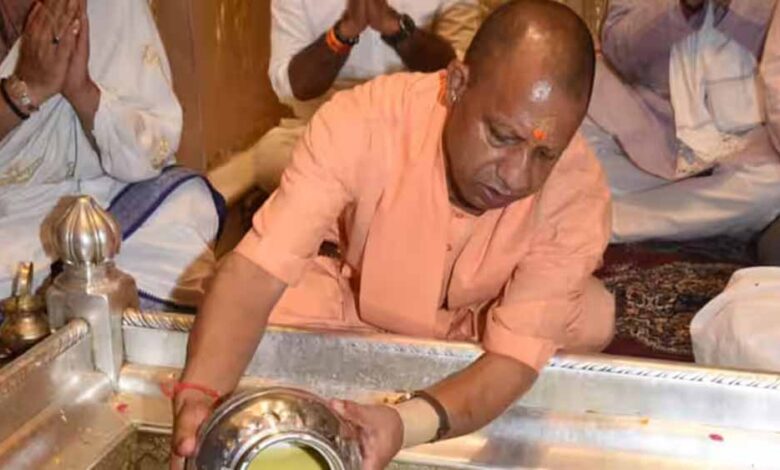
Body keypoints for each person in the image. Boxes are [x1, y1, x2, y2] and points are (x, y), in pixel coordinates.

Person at [171, 1, 614, 469]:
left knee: (591, 317)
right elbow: (258, 272)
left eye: (545, 155)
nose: (516, 176)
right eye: (502, 137)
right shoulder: (364, 120)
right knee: (239, 303)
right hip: (355, 299)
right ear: (457, 84)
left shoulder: (577, 185)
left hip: (479, 318)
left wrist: (404, 423)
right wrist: (199, 395)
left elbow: (512, 359)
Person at [0, 0, 223, 309]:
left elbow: (153, 145)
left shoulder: (112, 6)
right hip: (12, 221)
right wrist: (26, 90)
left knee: (182, 229)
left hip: (114, 205)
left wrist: (83, 92)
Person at [584, 0, 780, 243]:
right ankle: (681, 209)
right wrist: (684, 8)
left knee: (771, 187)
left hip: (754, 144)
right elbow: (620, 53)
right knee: (571, 143)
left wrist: (730, 7)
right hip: (653, 126)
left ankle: (603, 223)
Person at [252, 0, 480, 193]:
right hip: (331, 126)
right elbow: (291, 85)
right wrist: (343, 33)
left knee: (467, 157)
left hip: (418, 127)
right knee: (272, 157)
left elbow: (461, 72)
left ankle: (364, 191)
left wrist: (396, 28)